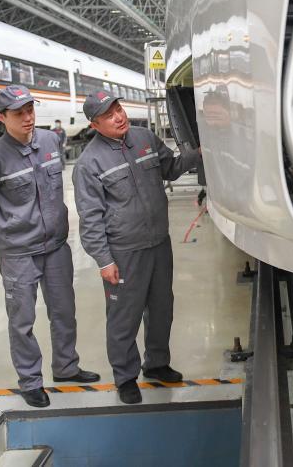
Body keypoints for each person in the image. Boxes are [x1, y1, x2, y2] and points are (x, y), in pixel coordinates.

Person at [0, 86, 100, 407]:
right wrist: (13, 228)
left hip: (56, 246)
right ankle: (30, 381)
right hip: (18, 253)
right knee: (22, 320)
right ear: (2, 118)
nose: (28, 118)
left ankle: (66, 367)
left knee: (64, 311)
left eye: (30, 110)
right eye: (19, 113)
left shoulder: (50, 141)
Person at [73, 90, 200, 404]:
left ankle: (156, 364)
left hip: (159, 243)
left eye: (118, 108)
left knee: (161, 309)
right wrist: (104, 261)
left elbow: (171, 168)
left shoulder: (144, 138)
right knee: (124, 317)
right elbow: (90, 218)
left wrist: (202, 152)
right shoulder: (89, 163)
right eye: (108, 115)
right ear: (94, 124)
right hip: (124, 251)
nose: (119, 117)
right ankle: (125, 377)